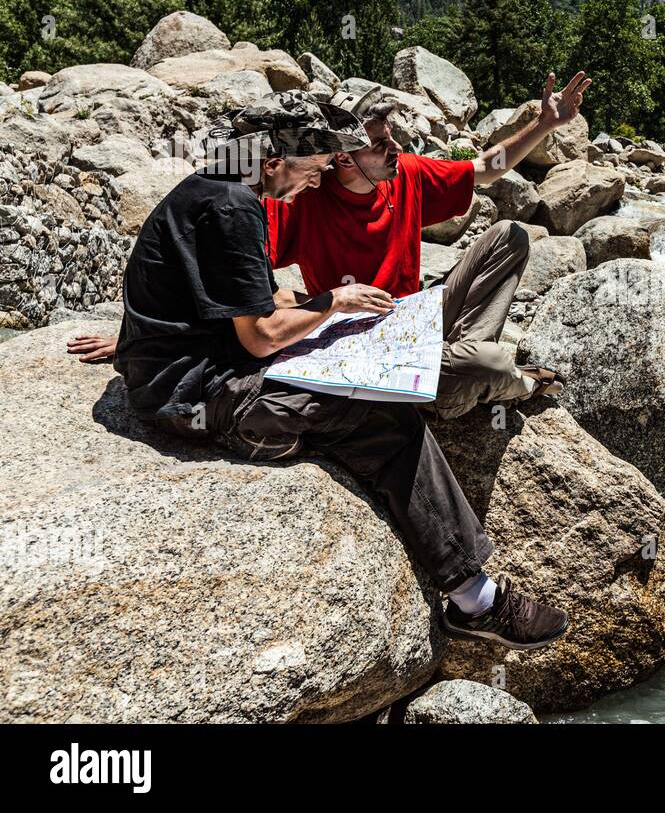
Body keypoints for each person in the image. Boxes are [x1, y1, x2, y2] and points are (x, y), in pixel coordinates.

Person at [110, 91, 567, 650]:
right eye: (313, 167)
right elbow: (258, 339)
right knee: (387, 420)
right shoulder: (236, 208)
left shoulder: (215, 186)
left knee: (372, 392)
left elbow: (215, 301)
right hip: (199, 394)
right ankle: (475, 600)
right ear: (274, 161)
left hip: (187, 373)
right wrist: (334, 301)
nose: (317, 177)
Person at [69, 72, 592, 423]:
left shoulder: (405, 175)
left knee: (510, 238)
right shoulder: (296, 198)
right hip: (354, 340)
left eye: (393, 139)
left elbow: (486, 169)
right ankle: (505, 380)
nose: (398, 150)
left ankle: (452, 359)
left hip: (408, 312)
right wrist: (143, 336)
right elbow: (217, 274)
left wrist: (545, 124)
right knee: (491, 366)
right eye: (381, 144)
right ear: (341, 161)